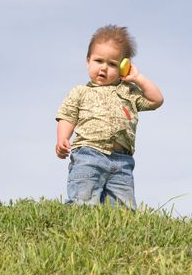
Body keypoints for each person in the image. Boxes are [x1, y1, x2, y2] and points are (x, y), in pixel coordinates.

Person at [55, 25, 164, 209]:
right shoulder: (80, 92)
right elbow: (68, 116)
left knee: (124, 210)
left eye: (113, 64)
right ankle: (79, 230)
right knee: (83, 200)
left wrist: (138, 78)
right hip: (88, 153)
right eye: (99, 61)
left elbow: (156, 100)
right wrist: (62, 138)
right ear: (88, 61)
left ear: (124, 68)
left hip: (122, 161)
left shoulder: (129, 92)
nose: (104, 68)